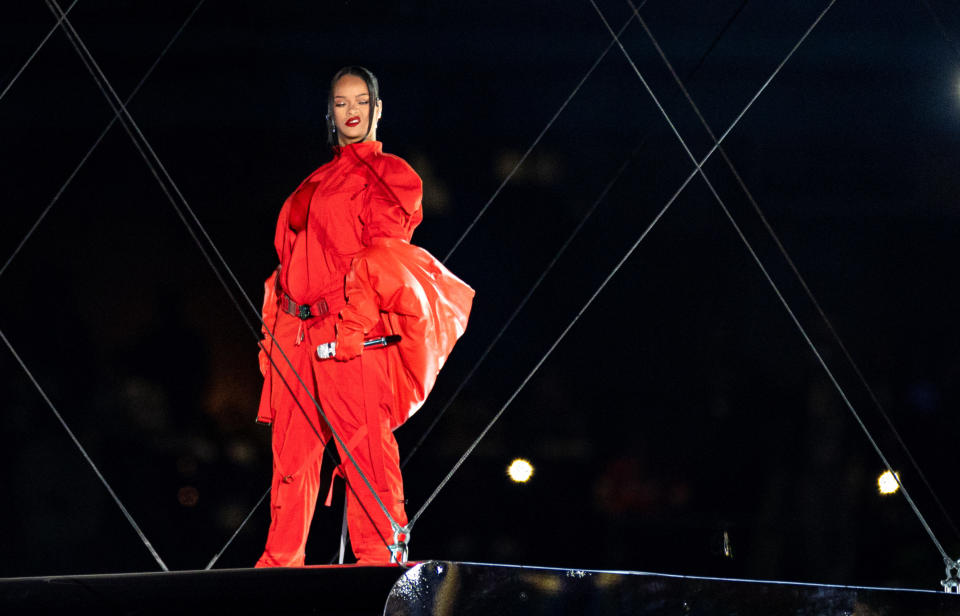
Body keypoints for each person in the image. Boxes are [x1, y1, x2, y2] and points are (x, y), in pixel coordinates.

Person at [255, 66, 472, 566]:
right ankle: (279, 562)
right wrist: (276, 334)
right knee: (292, 456)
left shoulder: (388, 173)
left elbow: (383, 254)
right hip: (297, 333)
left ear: (377, 108)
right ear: (329, 112)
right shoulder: (317, 177)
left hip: (346, 327)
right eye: (340, 102)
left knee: (364, 446)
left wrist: (353, 326)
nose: (350, 111)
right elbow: (288, 263)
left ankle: (379, 560)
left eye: (359, 101)